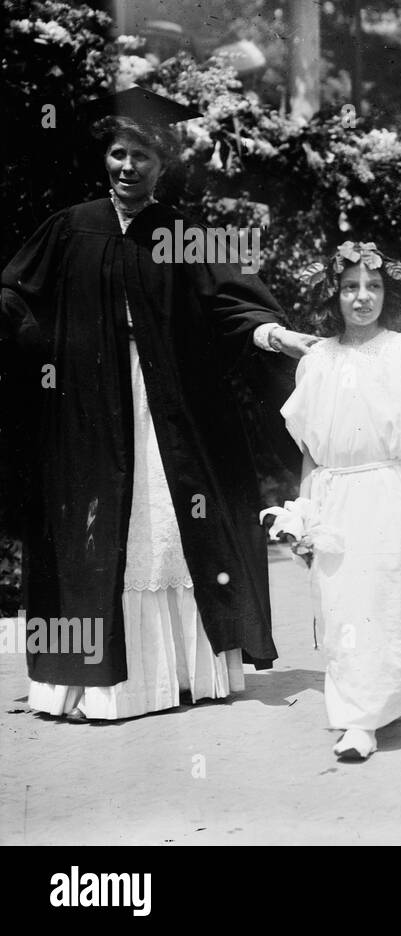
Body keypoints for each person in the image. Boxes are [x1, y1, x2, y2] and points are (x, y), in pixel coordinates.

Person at [0, 86, 317, 721]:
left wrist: (273, 333)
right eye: (118, 154)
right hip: (87, 412)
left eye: (141, 157)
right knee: (92, 533)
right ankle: (94, 684)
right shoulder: (70, 227)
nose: (126, 168)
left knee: (167, 527)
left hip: (168, 412)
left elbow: (235, 304)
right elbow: (17, 300)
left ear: (161, 165)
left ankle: (180, 675)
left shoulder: (183, 233)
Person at [280, 242, 401, 758]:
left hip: (389, 491)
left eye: (373, 287)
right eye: (351, 287)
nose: (362, 298)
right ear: (334, 294)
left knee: (388, 603)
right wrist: (303, 515)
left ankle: (370, 714)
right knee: (341, 607)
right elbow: (310, 450)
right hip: (334, 494)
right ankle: (359, 716)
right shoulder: (318, 360)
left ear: (386, 294)